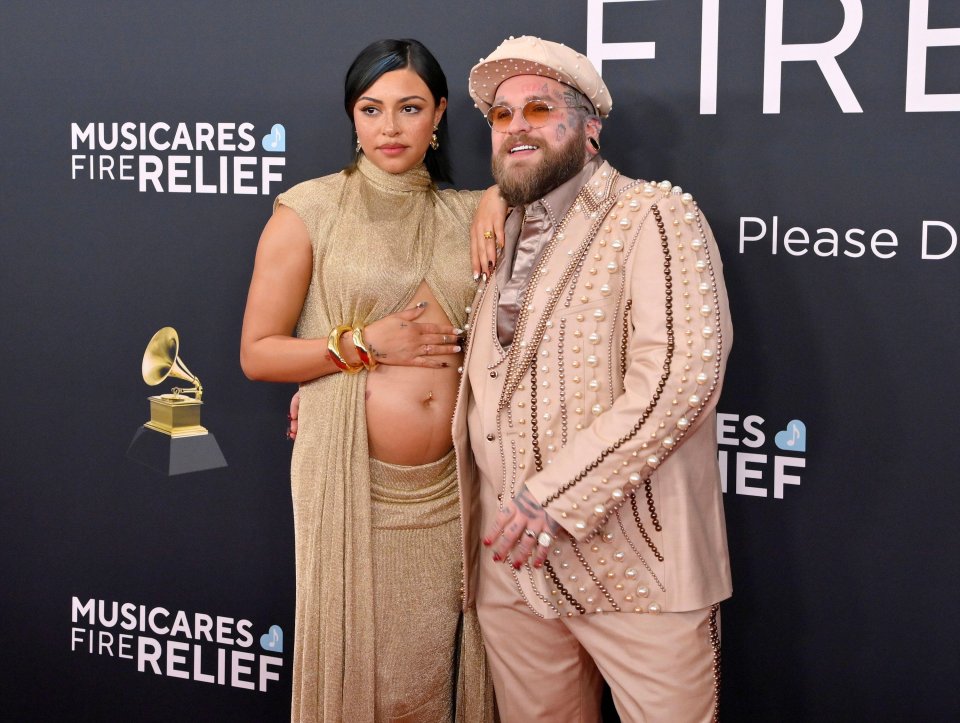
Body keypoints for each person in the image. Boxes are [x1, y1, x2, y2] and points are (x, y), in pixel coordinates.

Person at [453, 36, 733, 721]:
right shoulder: (499, 229)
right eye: (501, 115)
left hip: (636, 566)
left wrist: (551, 499)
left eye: (539, 108)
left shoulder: (654, 215)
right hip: (509, 570)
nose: (516, 126)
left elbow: (679, 380)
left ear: (590, 125)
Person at [240, 39, 502, 723]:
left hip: (454, 495)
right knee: (372, 686)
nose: (390, 127)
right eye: (372, 108)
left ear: (438, 114)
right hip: (357, 491)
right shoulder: (310, 210)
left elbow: (567, 188)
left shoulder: (471, 213)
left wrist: (506, 192)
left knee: (432, 684)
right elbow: (258, 354)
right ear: (352, 117)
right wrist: (358, 344)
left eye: (409, 108)